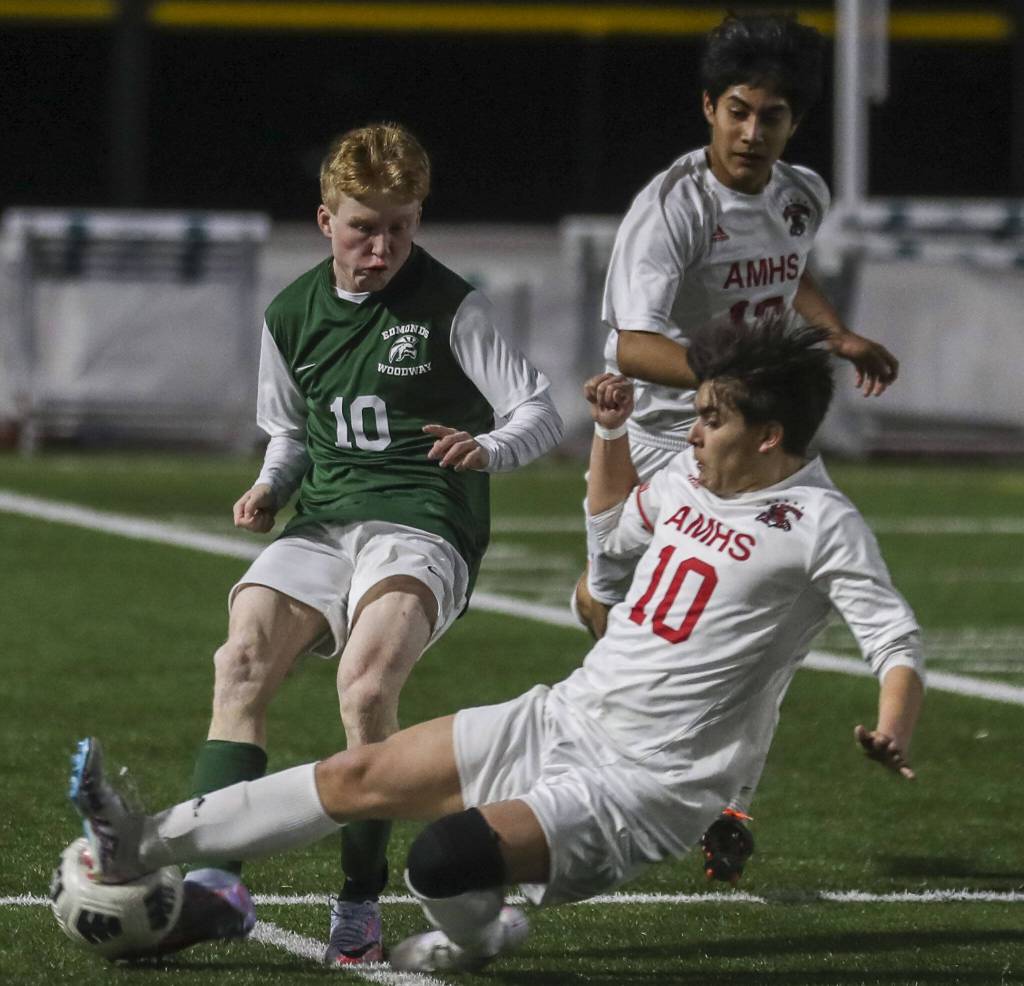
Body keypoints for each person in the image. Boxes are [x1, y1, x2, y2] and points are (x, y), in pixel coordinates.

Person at [70, 316, 924, 973]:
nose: (693, 433)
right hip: (566, 714)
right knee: (357, 776)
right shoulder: (684, 480)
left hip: (645, 784)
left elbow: (894, 638)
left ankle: (478, 939)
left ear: (768, 437)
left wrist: (893, 726)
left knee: (442, 860)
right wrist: (612, 444)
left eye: (710, 419)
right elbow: (611, 529)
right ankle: (135, 840)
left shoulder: (822, 524)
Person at [177, 122, 563, 965]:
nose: (381, 247)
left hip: (424, 521)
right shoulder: (291, 314)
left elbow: (538, 410)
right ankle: (214, 882)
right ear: (326, 220)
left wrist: (490, 448)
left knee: (364, 688)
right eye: (363, 227)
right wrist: (271, 486)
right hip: (325, 519)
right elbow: (290, 432)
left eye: (399, 226)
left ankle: (358, 899)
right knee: (240, 660)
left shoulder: (452, 307)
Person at [571, 12, 902, 878]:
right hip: (664, 435)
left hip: (753, 436)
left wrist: (835, 334)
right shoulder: (670, 211)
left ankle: (724, 803)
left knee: (768, 625)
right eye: (739, 111)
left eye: (773, 116)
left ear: (795, 122)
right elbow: (631, 345)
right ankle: (614, 746)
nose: (753, 131)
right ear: (709, 108)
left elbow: (790, 267)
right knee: (610, 602)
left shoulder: (801, 194)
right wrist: (727, 383)